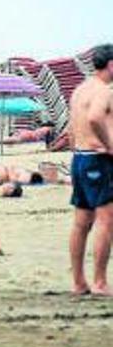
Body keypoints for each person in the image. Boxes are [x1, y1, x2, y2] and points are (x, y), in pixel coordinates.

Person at [68, 43, 113, 296]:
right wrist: (109, 145)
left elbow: (73, 128)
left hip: (80, 158)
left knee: (81, 222)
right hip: (98, 160)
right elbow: (96, 117)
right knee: (106, 221)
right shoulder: (103, 91)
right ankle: (100, 282)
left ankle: (78, 282)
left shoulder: (80, 90)